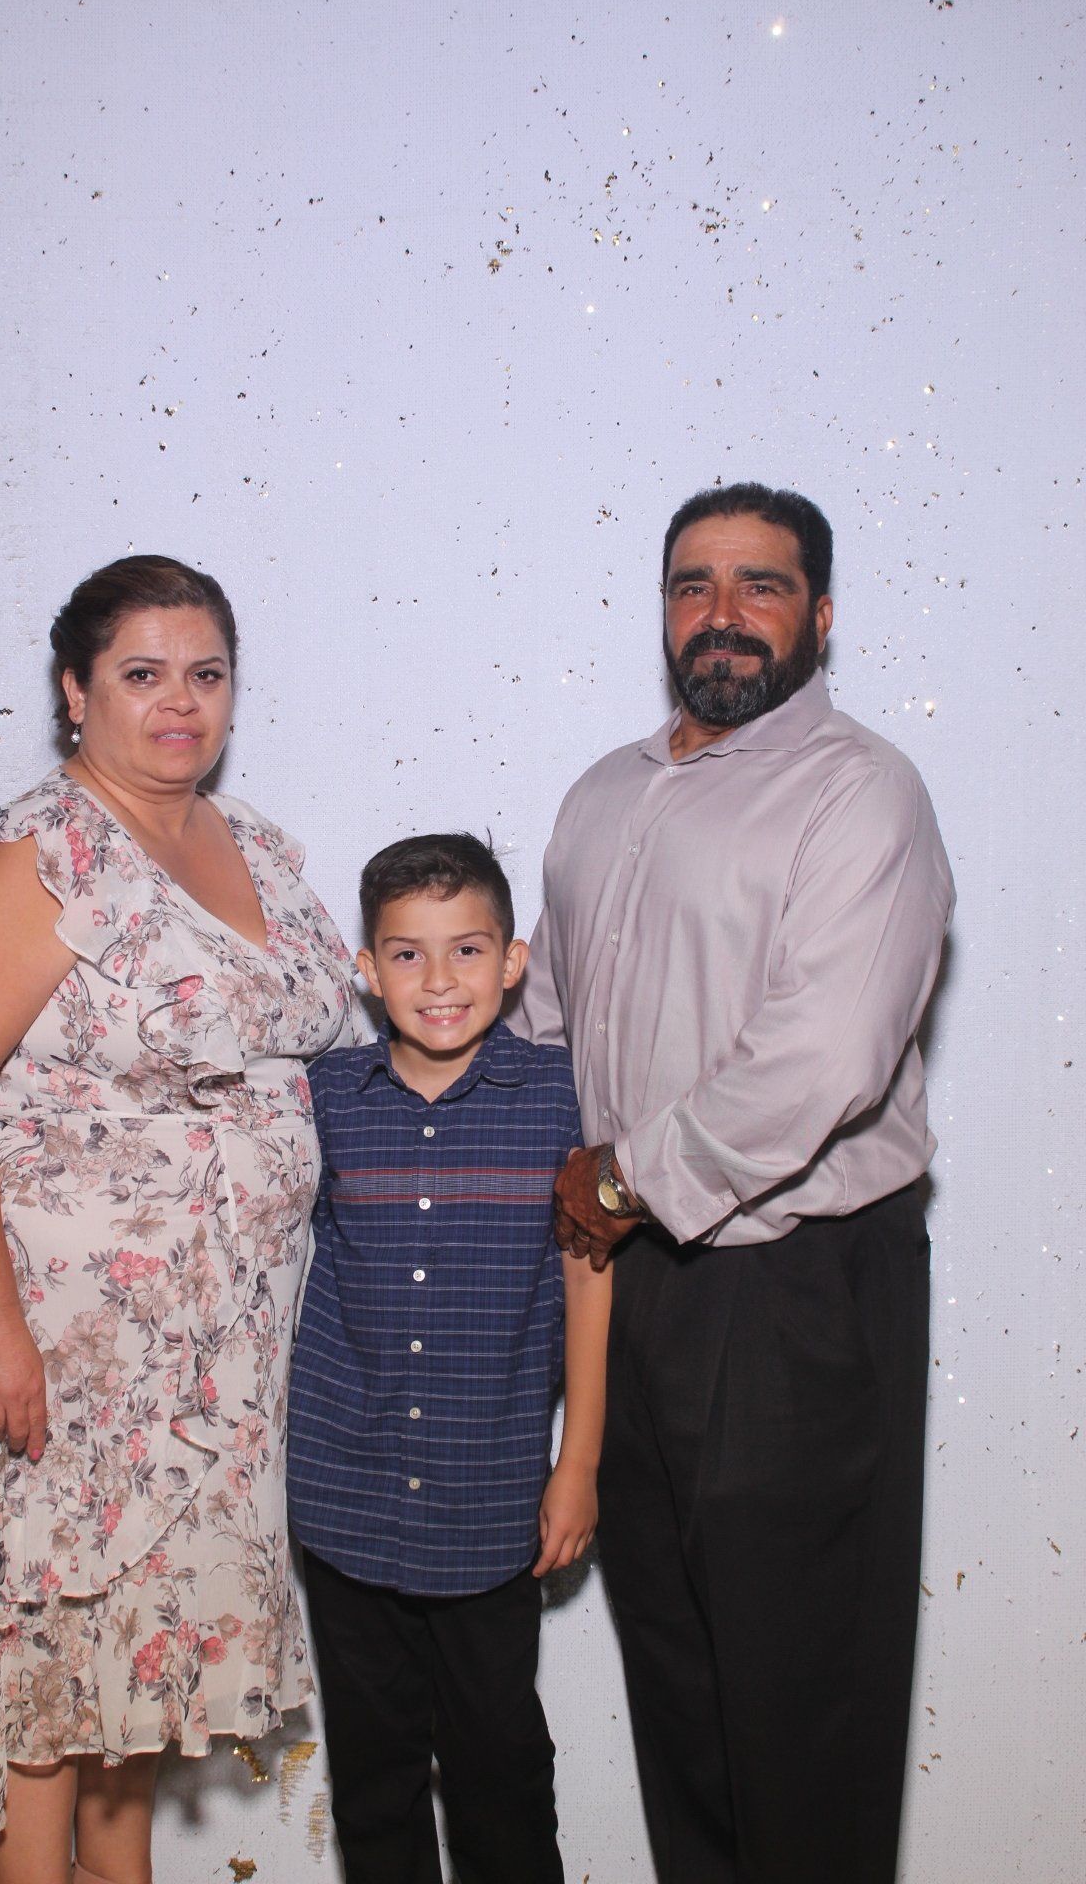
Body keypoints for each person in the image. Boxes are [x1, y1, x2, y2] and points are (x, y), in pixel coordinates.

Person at [0, 555, 358, 1883]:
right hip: (64, 1353)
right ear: (76, 693)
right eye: (142, 674)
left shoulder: (251, 849)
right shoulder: (43, 854)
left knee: (130, 1684)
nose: (179, 702)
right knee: (41, 1687)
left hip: (213, 1366)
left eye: (205, 674)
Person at [514, 483, 955, 1884]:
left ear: (819, 614)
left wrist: (622, 1183)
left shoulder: (860, 791)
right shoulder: (603, 796)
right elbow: (549, 1034)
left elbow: (824, 1057)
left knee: (801, 1701)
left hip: (793, 1299)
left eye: (759, 585)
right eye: (690, 585)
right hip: (628, 1284)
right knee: (681, 1686)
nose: (720, 614)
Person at [287, 835, 613, 1884]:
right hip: (346, 1496)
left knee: (498, 1766)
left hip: (491, 1503)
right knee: (373, 1777)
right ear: (366, 969)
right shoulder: (324, 1098)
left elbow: (588, 1279)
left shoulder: (562, 1096)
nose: (439, 981)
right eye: (408, 955)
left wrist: (578, 1463)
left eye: (466, 950)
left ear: (512, 962)